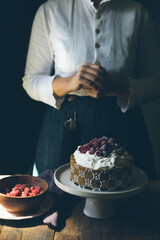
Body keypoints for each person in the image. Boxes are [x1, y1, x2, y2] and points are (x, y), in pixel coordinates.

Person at [22, 0, 160, 179]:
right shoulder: (50, 11)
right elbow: (31, 81)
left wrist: (115, 85)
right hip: (65, 122)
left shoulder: (137, 12)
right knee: (56, 198)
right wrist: (71, 82)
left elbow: (157, 81)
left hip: (123, 122)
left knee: (129, 200)